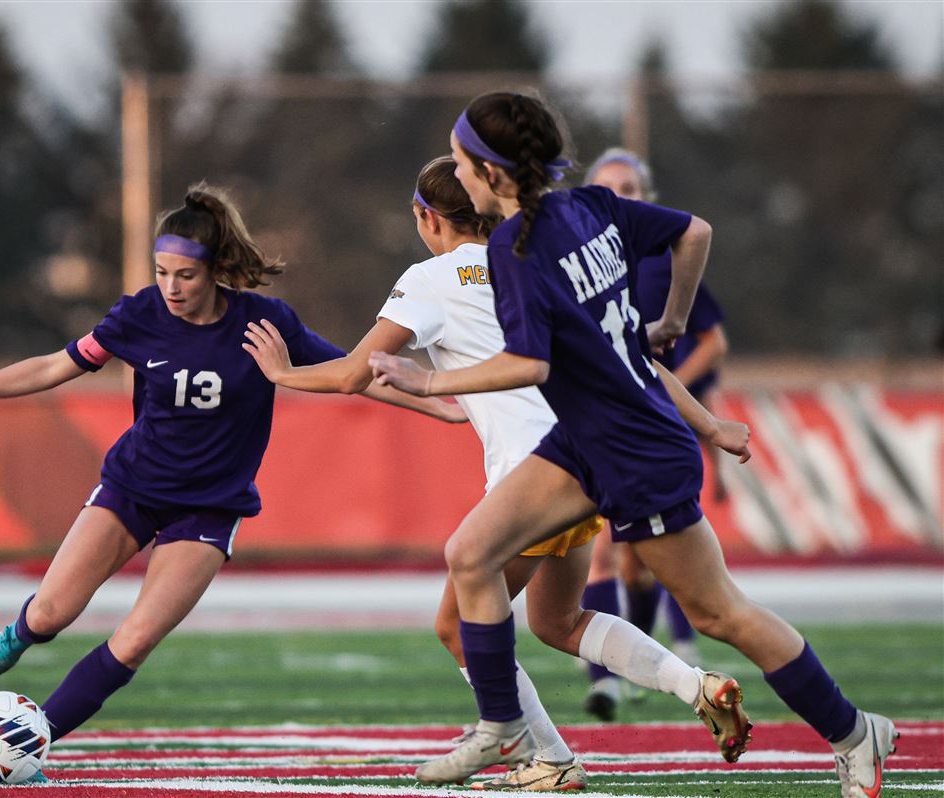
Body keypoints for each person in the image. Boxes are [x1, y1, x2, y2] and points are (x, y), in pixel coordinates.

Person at [368, 92, 897, 798]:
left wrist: (428, 383)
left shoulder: (514, 246)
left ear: (493, 173)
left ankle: (856, 732)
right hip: (583, 438)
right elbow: (695, 233)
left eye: (463, 163)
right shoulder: (589, 205)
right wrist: (668, 321)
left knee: (719, 614)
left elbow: (531, 366)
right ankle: (503, 723)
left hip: (631, 450)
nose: (456, 176)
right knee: (470, 554)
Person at [0, 184, 462, 782]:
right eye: (162, 272)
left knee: (136, 640)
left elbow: (356, 374)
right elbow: (53, 366)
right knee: (51, 613)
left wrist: (448, 406)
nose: (171, 288)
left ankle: (32, 738)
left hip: (209, 509)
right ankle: (24, 630)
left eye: (186, 276)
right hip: (132, 490)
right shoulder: (138, 315)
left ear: (217, 271)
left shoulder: (265, 323)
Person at [243, 157, 755, 791]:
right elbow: (627, 357)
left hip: (532, 474)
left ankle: (550, 757)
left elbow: (354, 371)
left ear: (426, 218)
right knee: (557, 623)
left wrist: (281, 374)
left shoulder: (430, 278)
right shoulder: (534, 259)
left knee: (457, 626)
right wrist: (710, 426)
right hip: (588, 457)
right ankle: (696, 685)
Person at [579, 148, 731, 718]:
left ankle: (646, 659)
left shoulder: (665, 261)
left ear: (648, 197)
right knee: (600, 557)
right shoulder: (574, 262)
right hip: (592, 426)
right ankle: (607, 683)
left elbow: (708, 341)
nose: (620, 196)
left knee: (637, 566)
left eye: (631, 187)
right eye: (607, 187)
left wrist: (665, 389)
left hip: (649, 425)